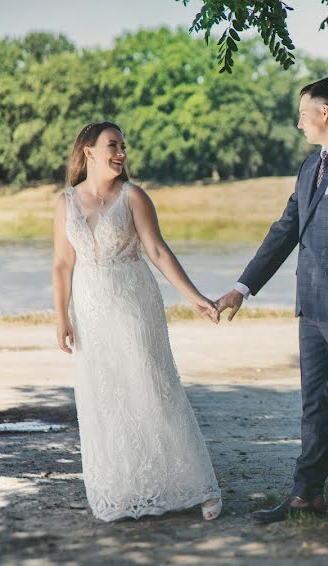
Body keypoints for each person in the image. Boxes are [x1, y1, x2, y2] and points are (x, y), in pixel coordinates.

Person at [215, 78, 328, 523]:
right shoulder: (308, 168)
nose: (298, 123)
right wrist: (242, 287)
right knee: (315, 406)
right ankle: (307, 496)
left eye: (303, 113)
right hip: (311, 310)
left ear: (325, 113)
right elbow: (284, 231)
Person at [51, 121, 222, 522]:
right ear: (88, 151)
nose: (121, 153)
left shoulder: (133, 196)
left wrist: (195, 297)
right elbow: (61, 264)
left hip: (134, 304)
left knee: (153, 389)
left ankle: (198, 486)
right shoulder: (65, 202)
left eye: (123, 146)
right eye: (113, 145)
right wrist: (62, 318)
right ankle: (125, 491)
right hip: (90, 309)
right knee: (106, 398)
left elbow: (158, 252)